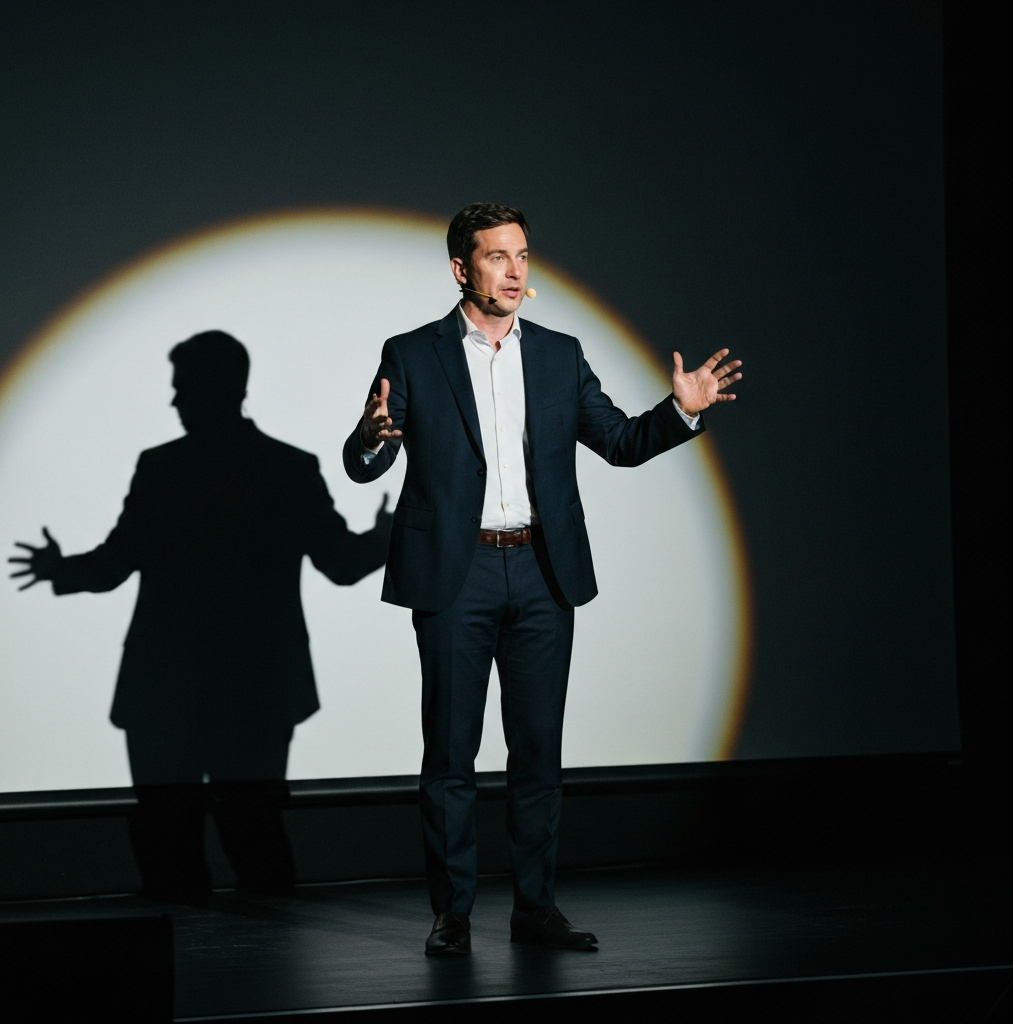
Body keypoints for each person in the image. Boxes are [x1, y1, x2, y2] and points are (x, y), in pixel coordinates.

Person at [343, 203, 742, 954]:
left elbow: (620, 441)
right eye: (498, 256)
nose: (516, 269)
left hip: (540, 571)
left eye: (522, 254)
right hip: (454, 576)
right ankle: (452, 915)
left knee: (537, 754)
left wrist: (678, 414)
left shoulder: (559, 354)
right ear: (463, 269)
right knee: (450, 756)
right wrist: (369, 440)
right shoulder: (412, 352)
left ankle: (535, 910)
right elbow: (369, 451)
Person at [10, 330, 393, 902]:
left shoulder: (163, 469)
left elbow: (116, 563)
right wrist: (387, 537)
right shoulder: (288, 468)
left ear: (207, 390)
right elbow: (340, 563)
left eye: (181, 388)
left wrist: (59, 569)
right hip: (258, 689)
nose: (174, 401)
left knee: (169, 848)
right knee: (256, 838)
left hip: (165, 690)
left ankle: (175, 980)